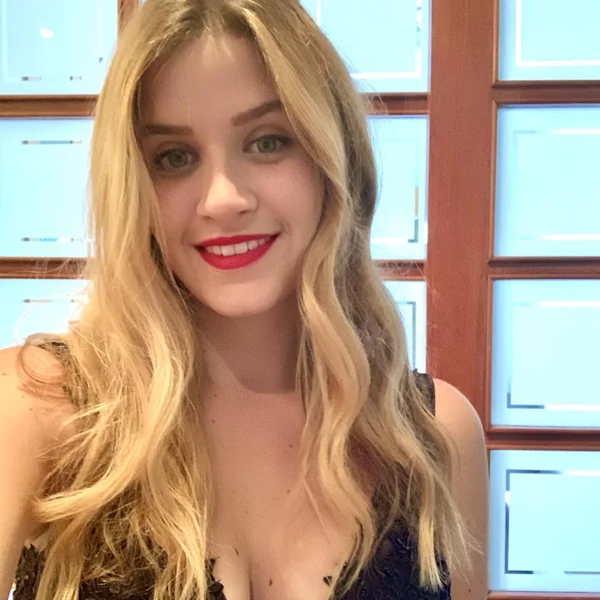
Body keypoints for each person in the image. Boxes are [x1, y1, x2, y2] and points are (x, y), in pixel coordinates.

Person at [0, 0, 489, 599]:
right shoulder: (34, 408)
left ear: (333, 159)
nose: (222, 199)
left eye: (267, 142)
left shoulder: (435, 437)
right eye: (174, 158)